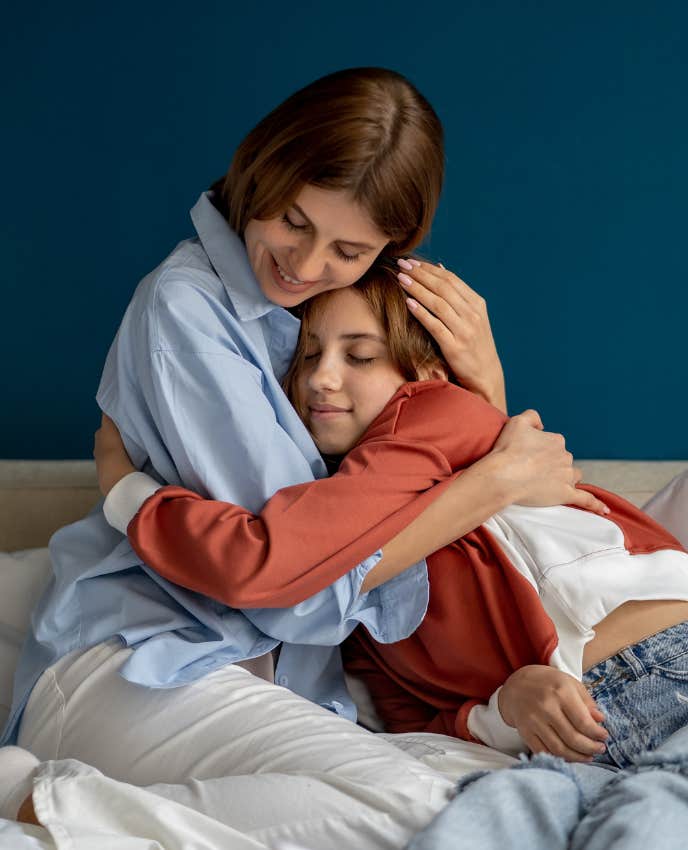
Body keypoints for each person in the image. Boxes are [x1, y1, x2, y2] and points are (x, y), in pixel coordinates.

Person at [0, 67, 587, 846]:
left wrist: (483, 394)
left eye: (349, 249)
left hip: (267, 688)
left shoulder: (317, 326)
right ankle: (47, 805)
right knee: (443, 815)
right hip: (142, 662)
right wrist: (492, 481)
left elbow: (386, 493)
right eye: (292, 221)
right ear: (260, 170)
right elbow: (286, 584)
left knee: (526, 800)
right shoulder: (189, 310)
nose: (307, 265)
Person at [92, 267, 688, 849]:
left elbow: (269, 558)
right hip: (569, 747)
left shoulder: (433, 413)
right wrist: (504, 708)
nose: (322, 378)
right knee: (480, 824)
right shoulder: (355, 602)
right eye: (308, 356)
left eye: (360, 355)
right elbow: (418, 720)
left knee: (666, 821)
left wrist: (129, 493)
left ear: (420, 375)